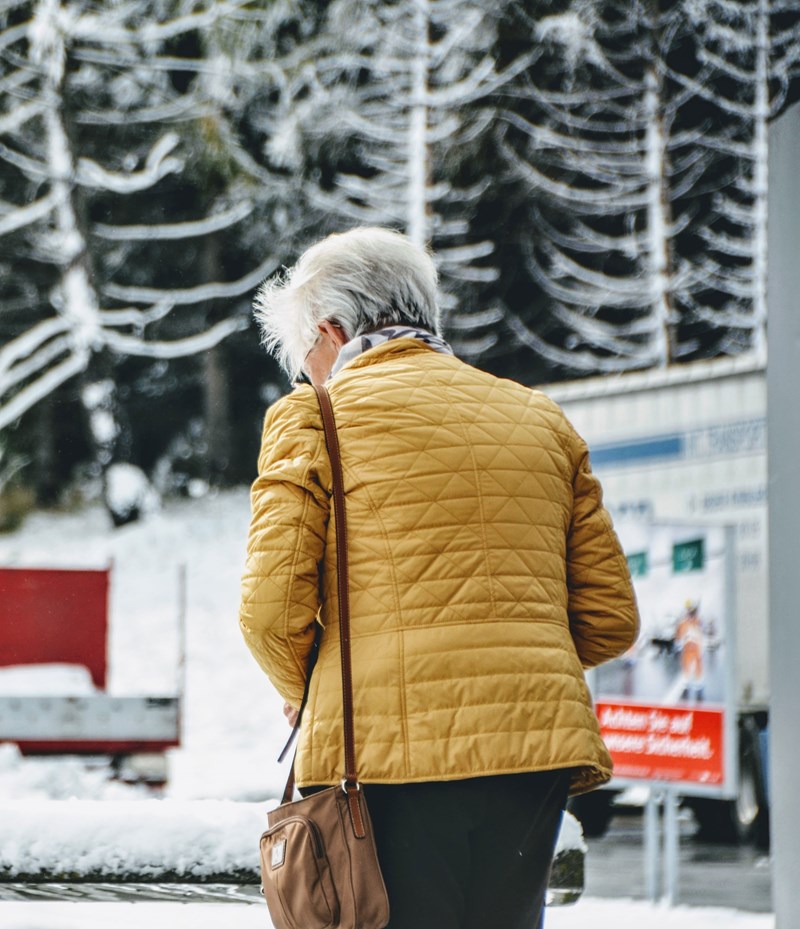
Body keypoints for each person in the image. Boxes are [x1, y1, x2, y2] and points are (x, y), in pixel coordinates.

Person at [239, 226, 639, 929]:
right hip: (534, 752)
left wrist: (302, 689)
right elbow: (610, 617)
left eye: (307, 359)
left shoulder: (314, 416)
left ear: (330, 332)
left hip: (389, 761)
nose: (308, 378)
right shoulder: (538, 417)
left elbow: (271, 609)